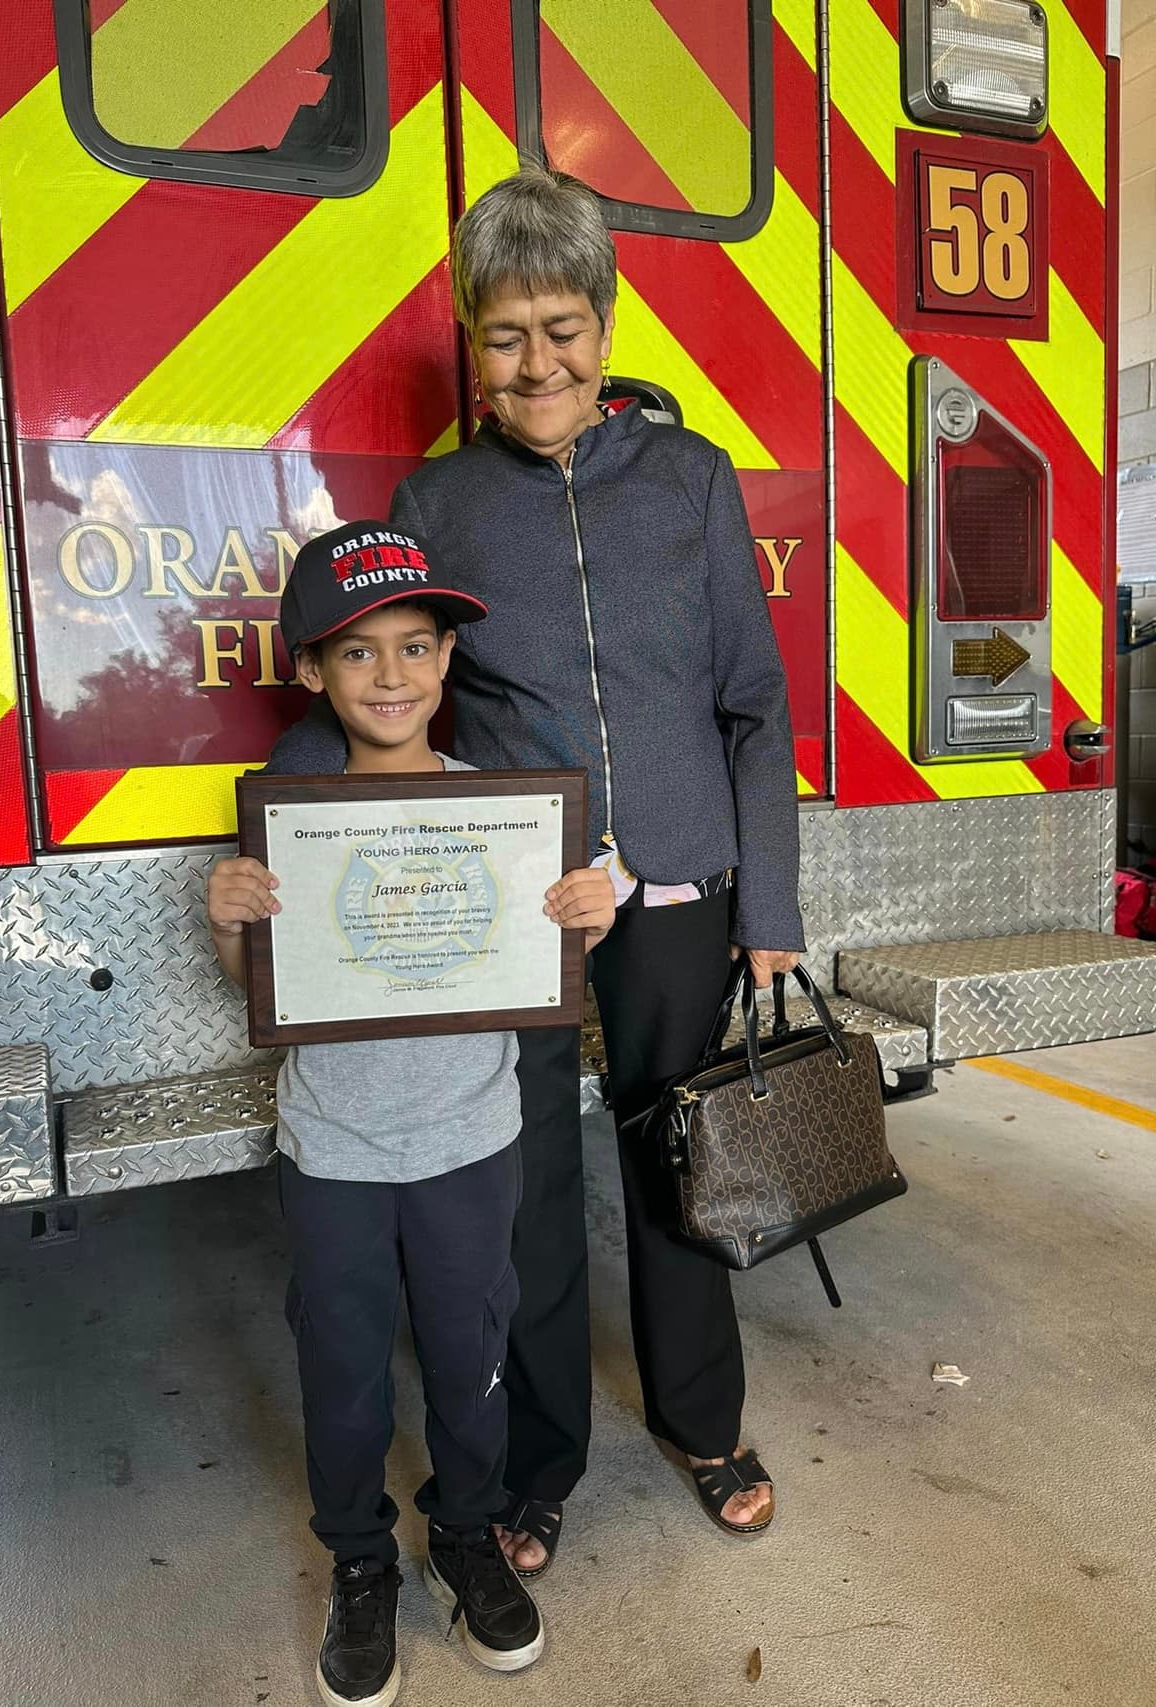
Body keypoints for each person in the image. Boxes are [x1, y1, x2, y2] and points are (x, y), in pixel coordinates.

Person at [275, 166, 806, 1577]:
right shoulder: (437, 499)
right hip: (508, 906)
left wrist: (770, 903)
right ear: (472, 341)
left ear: (606, 326)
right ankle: (536, 1461)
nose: (536, 364)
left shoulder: (690, 479)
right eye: (504, 336)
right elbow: (376, 688)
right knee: (520, 1193)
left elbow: (754, 702)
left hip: (679, 884)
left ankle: (704, 1422)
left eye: (561, 329)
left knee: (682, 1163)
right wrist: (281, 829)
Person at [205, 520, 615, 1707]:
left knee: (469, 1355)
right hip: (332, 1146)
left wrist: (587, 914)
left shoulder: (505, 814)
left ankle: (467, 1535)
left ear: (446, 661)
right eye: (357, 652)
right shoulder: (289, 819)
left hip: (470, 1142)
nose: (391, 676)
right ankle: (360, 1561)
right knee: (342, 1369)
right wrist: (229, 921)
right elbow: (258, 985)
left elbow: (544, 955)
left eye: (416, 647)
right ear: (311, 670)